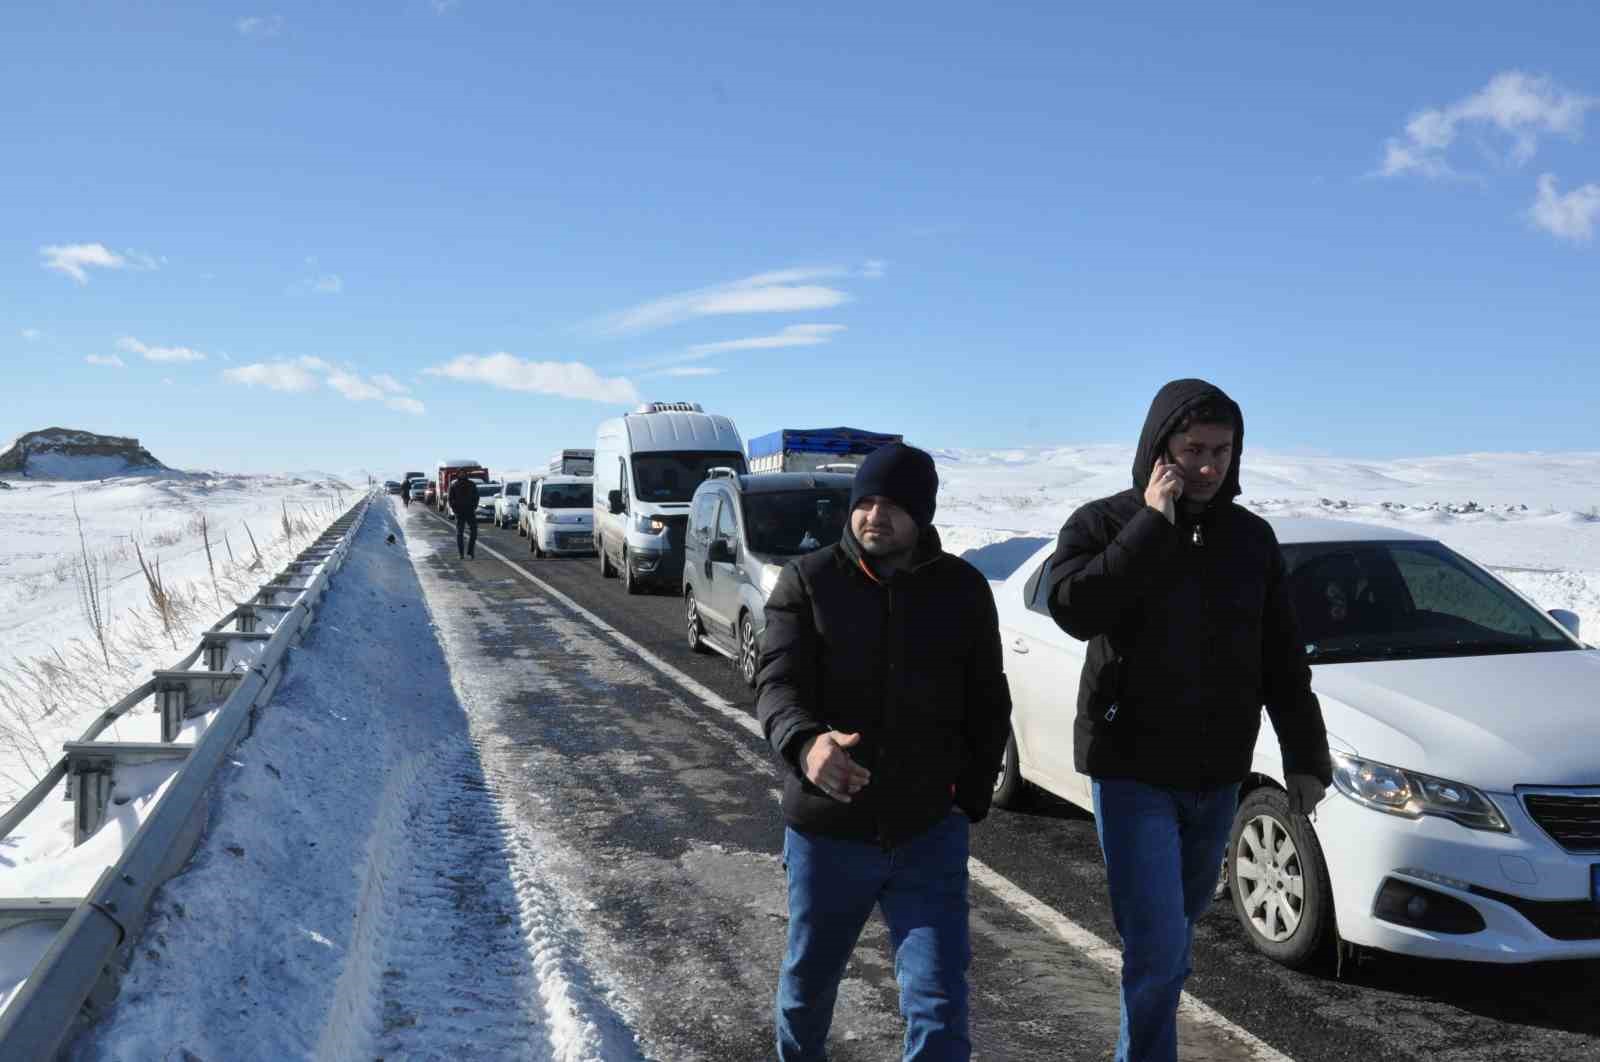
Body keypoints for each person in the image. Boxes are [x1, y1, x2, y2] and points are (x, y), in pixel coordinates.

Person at [1045, 379, 1333, 1062]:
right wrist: (1152, 523)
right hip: (1131, 771)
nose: (1208, 466)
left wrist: (1306, 758)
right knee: (1160, 947)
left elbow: (1282, 661)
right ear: (1158, 451)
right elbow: (1076, 609)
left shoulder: (1251, 540)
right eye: (1192, 450)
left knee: (1172, 934)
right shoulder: (1105, 523)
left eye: (1221, 451)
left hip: (1216, 776)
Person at [757, 442, 1013, 1062]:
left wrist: (965, 803)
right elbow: (775, 683)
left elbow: (989, 702)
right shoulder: (808, 581)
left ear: (922, 514)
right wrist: (807, 743)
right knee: (808, 990)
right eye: (865, 502)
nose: (874, 515)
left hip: (927, 834)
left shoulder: (962, 589)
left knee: (940, 1005)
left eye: (893, 505)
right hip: (828, 835)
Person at [447, 475, 481, 559]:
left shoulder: (471, 484)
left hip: (470, 511)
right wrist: (455, 509)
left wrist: (474, 506)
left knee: (474, 532)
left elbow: (476, 496)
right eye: (460, 473)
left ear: (466, 474)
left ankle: (470, 552)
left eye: (464, 473)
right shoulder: (454, 485)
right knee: (459, 533)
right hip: (459, 512)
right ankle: (461, 553)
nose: (462, 475)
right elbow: (450, 499)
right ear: (458, 474)